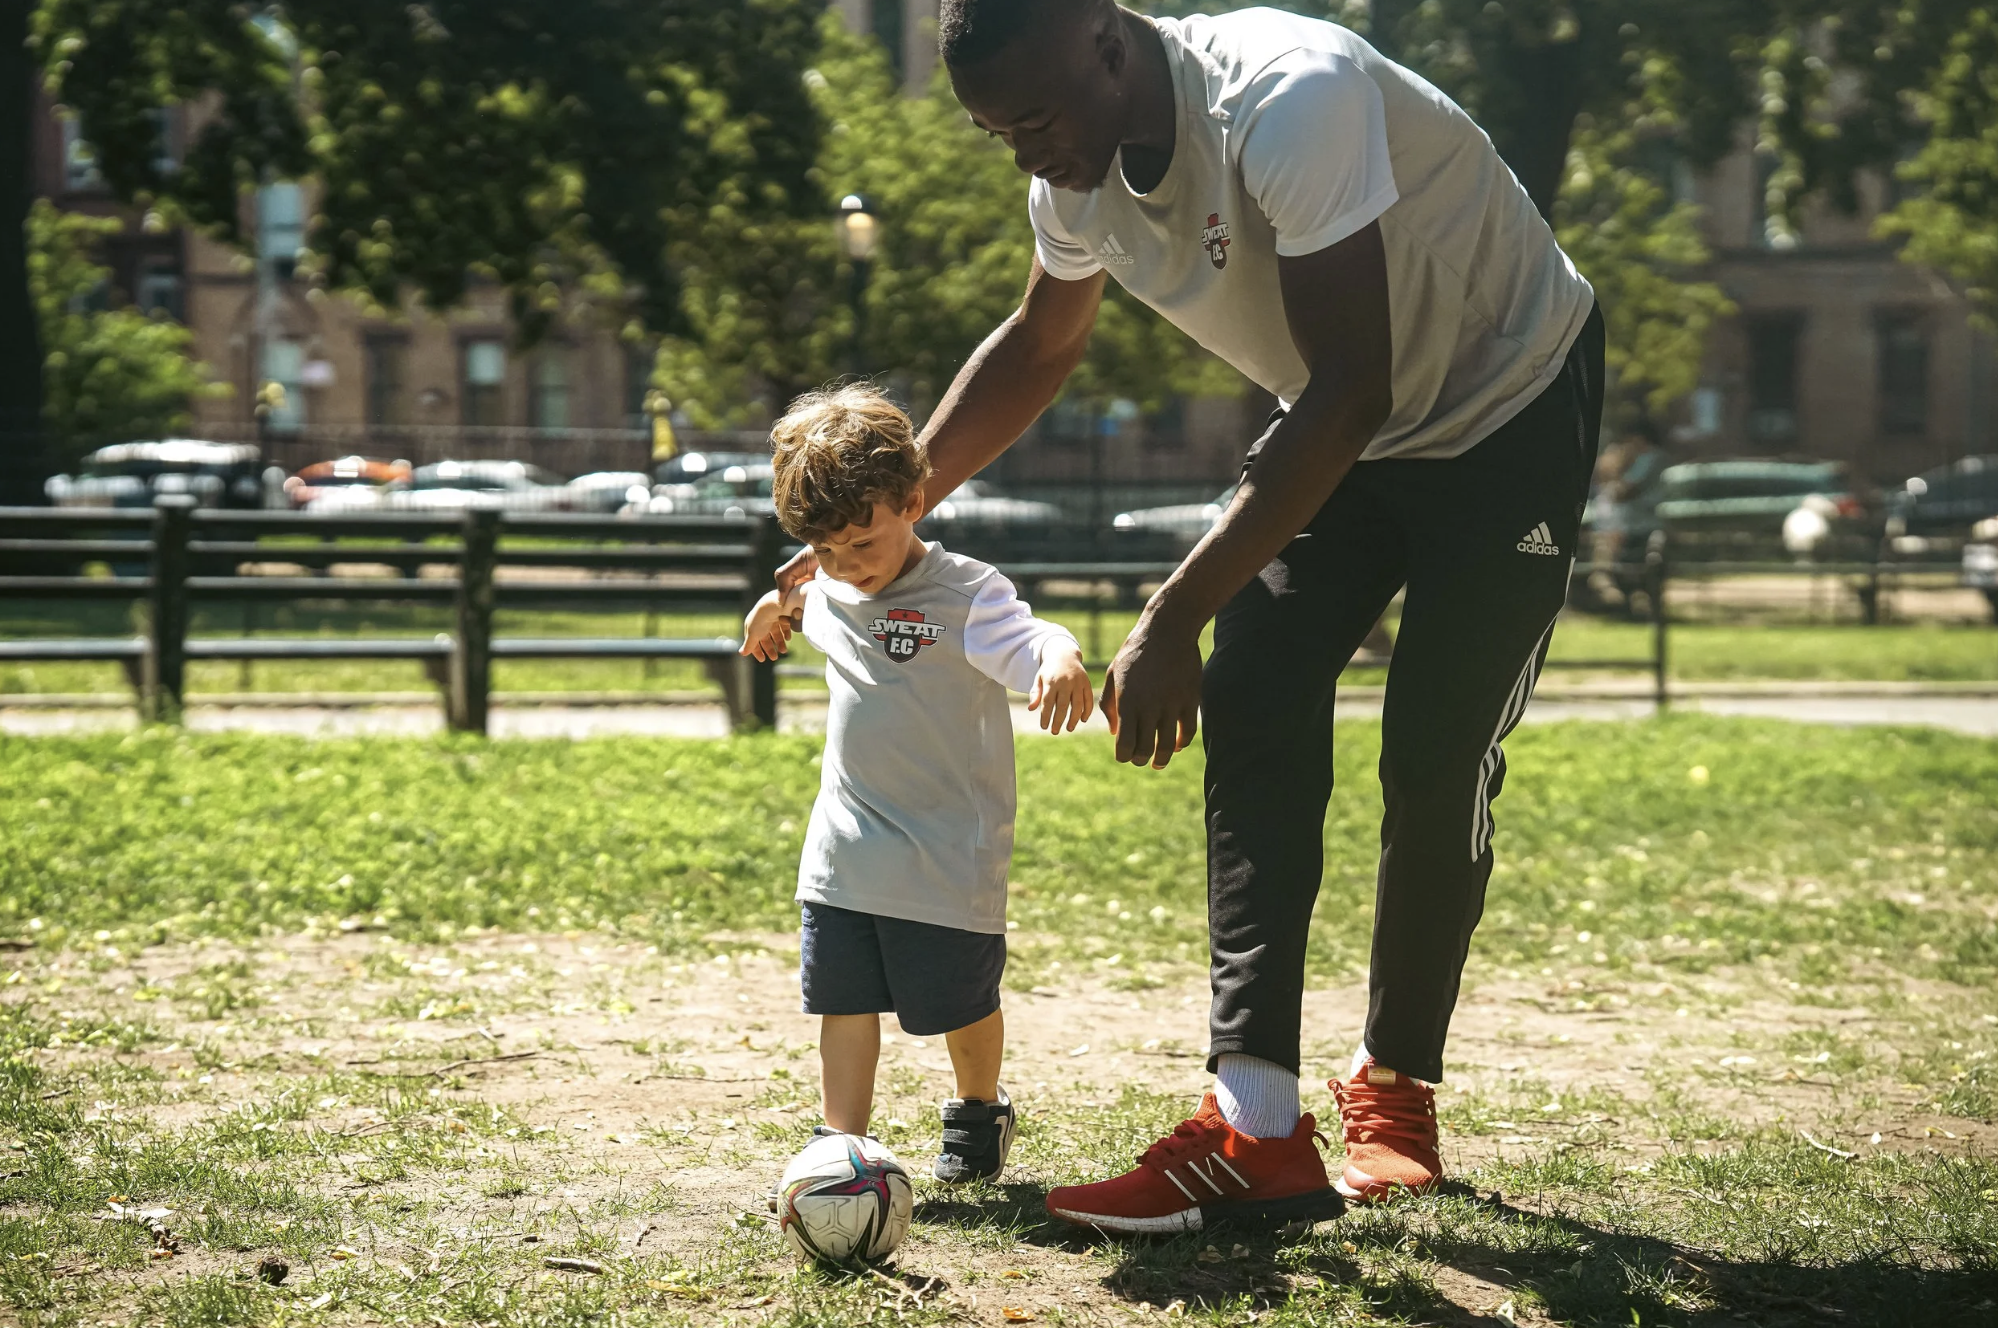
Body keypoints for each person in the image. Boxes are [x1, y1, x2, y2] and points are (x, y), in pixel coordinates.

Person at [784, 0, 1604, 1231]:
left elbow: (1354, 383)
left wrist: (1172, 614)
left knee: (1435, 754)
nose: (1024, 154)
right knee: (1260, 695)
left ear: (1111, 48)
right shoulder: (1074, 178)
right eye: (995, 131)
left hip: (1504, 407)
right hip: (1343, 432)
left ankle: (1395, 1087)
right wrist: (870, 526)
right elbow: (1037, 347)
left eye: (1037, 119)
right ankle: (1260, 1127)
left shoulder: (1288, 94)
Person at [742, 384, 1095, 1183]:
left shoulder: (966, 595)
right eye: (827, 551)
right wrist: (771, 609)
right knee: (842, 997)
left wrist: (1061, 655)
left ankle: (978, 1108)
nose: (848, 567)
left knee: (959, 1005)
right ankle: (843, 1148)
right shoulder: (830, 581)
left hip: (946, 850)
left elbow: (1031, 634)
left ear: (911, 502)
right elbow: (798, 593)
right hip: (845, 843)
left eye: (861, 544)